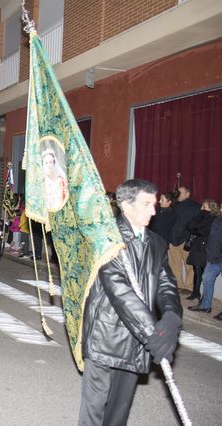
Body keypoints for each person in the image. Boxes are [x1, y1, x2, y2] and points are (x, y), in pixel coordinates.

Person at [78, 179, 182, 425]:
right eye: (146, 204)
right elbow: (120, 292)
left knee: (118, 414)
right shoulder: (107, 239)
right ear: (125, 205)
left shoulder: (156, 243)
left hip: (136, 342)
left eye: (154, 204)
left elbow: (166, 284)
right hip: (105, 337)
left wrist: (171, 317)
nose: (153, 211)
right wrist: (152, 334)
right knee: (95, 413)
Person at [188, 209, 222, 320]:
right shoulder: (217, 220)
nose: (220, 208)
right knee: (207, 278)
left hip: (219, 256)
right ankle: (205, 306)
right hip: (213, 257)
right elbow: (211, 237)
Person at [168, 185, 201, 292]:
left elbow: (197, 224)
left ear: (188, 194)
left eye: (181, 193)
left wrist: (191, 237)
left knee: (189, 265)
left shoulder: (195, 206)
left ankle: (189, 286)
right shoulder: (173, 205)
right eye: (177, 192)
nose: (178, 195)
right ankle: (178, 285)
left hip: (186, 239)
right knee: (174, 264)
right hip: (173, 238)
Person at [184, 199, 218, 300]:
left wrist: (196, 229)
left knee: (201, 270)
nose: (202, 208)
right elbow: (189, 226)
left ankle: (200, 294)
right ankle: (196, 292)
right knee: (196, 269)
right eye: (202, 206)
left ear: (211, 207)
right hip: (197, 245)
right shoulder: (201, 215)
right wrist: (196, 228)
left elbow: (204, 231)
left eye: (205, 206)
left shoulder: (212, 218)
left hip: (204, 247)